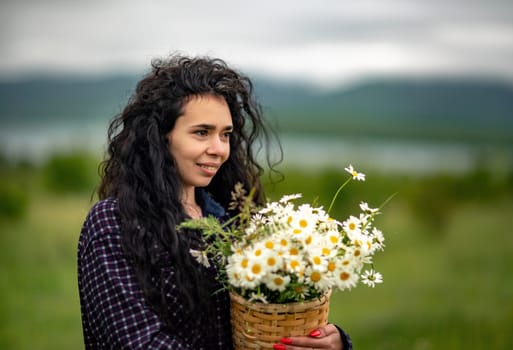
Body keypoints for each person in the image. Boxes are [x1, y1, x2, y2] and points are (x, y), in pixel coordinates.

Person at [77, 54, 353, 349]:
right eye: (201, 132)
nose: (219, 149)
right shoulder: (114, 223)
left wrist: (330, 342)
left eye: (226, 134)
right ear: (160, 137)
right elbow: (138, 343)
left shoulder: (235, 222)